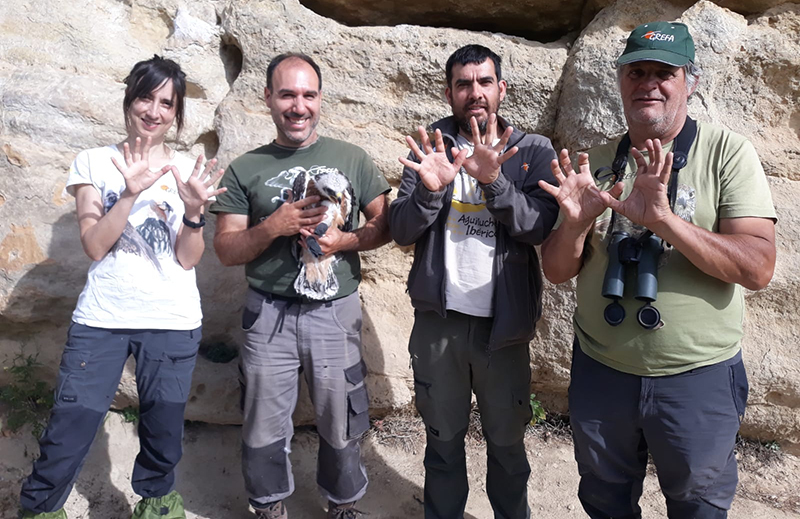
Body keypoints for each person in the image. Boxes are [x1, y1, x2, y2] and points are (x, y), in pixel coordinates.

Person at [539, 22, 777, 518]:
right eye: (636, 71)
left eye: (663, 72)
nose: (648, 83)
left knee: (698, 506)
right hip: (602, 372)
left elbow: (757, 267)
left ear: (689, 81)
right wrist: (576, 226)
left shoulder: (726, 153)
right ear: (621, 82)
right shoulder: (599, 162)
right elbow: (558, 270)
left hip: (696, 379)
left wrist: (667, 222)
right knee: (605, 500)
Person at [18, 55, 225, 519]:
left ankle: (156, 506)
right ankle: (40, 509)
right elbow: (95, 245)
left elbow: (188, 258)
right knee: (69, 426)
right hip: (102, 321)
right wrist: (129, 193)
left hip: (171, 322)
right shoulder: (93, 161)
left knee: (162, 429)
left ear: (177, 114)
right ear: (129, 98)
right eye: (145, 97)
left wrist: (193, 213)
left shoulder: (187, 169)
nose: (153, 110)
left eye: (166, 103)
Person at [210, 52, 390, 519]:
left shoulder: (351, 158)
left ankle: (343, 504)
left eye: (308, 95)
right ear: (268, 98)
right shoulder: (245, 168)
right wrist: (274, 226)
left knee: (341, 417)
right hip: (267, 315)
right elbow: (226, 249)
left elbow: (385, 225)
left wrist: (341, 241)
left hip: (334, 312)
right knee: (263, 423)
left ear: (320, 100)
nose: (298, 105)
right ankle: (268, 505)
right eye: (287, 94)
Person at [389, 44, 559, 519]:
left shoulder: (532, 151)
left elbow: (540, 227)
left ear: (501, 89)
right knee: (442, 443)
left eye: (484, 82)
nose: (475, 93)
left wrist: (494, 183)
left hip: (502, 331)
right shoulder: (430, 147)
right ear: (449, 93)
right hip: (439, 325)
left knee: (507, 446)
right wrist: (429, 189)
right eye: (464, 84)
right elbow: (401, 231)